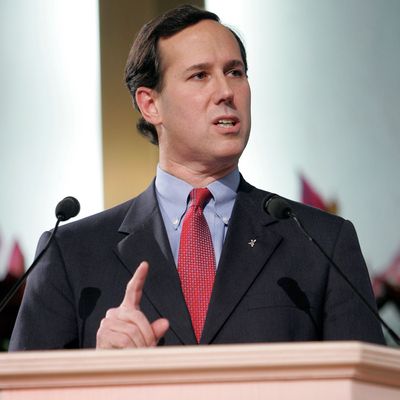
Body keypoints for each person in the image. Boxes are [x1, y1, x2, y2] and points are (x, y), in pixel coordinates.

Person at [9, 5, 384, 350]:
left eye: (235, 72)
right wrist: (97, 371)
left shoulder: (320, 244)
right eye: (200, 75)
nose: (226, 91)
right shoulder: (70, 254)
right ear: (150, 104)